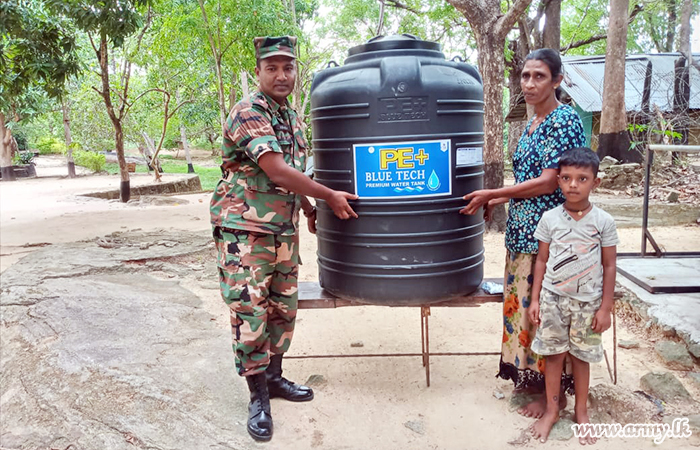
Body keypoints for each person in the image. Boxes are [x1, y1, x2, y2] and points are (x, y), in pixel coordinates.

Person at [210, 35, 358, 442]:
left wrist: (309, 208)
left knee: (282, 309)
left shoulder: (290, 116)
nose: (281, 75)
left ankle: (274, 379)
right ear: (258, 72)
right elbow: (275, 169)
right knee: (250, 313)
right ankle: (258, 398)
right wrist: (326, 195)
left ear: (296, 71)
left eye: (288, 67)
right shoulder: (248, 112)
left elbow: (296, 171)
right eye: (271, 68)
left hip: (282, 230)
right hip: (244, 232)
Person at [460, 48, 586, 417]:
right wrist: (501, 202)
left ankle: (557, 396)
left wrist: (494, 192)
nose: (529, 84)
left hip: (549, 238)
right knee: (525, 308)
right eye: (525, 76)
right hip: (522, 233)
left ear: (557, 81)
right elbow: (530, 181)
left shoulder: (564, 120)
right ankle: (536, 385)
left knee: (545, 312)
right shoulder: (531, 123)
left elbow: (550, 182)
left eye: (539, 76)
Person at [527, 147, 618, 444]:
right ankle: (552, 409)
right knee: (553, 357)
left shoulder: (603, 221)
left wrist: (605, 307)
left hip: (588, 304)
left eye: (582, 178)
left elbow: (609, 264)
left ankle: (581, 413)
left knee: (581, 358)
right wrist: (537, 299)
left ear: (595, 183)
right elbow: (541, 260)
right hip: (553, 300)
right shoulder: (550, 218)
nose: (573, 185)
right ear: (559, 181)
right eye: (566, 178)